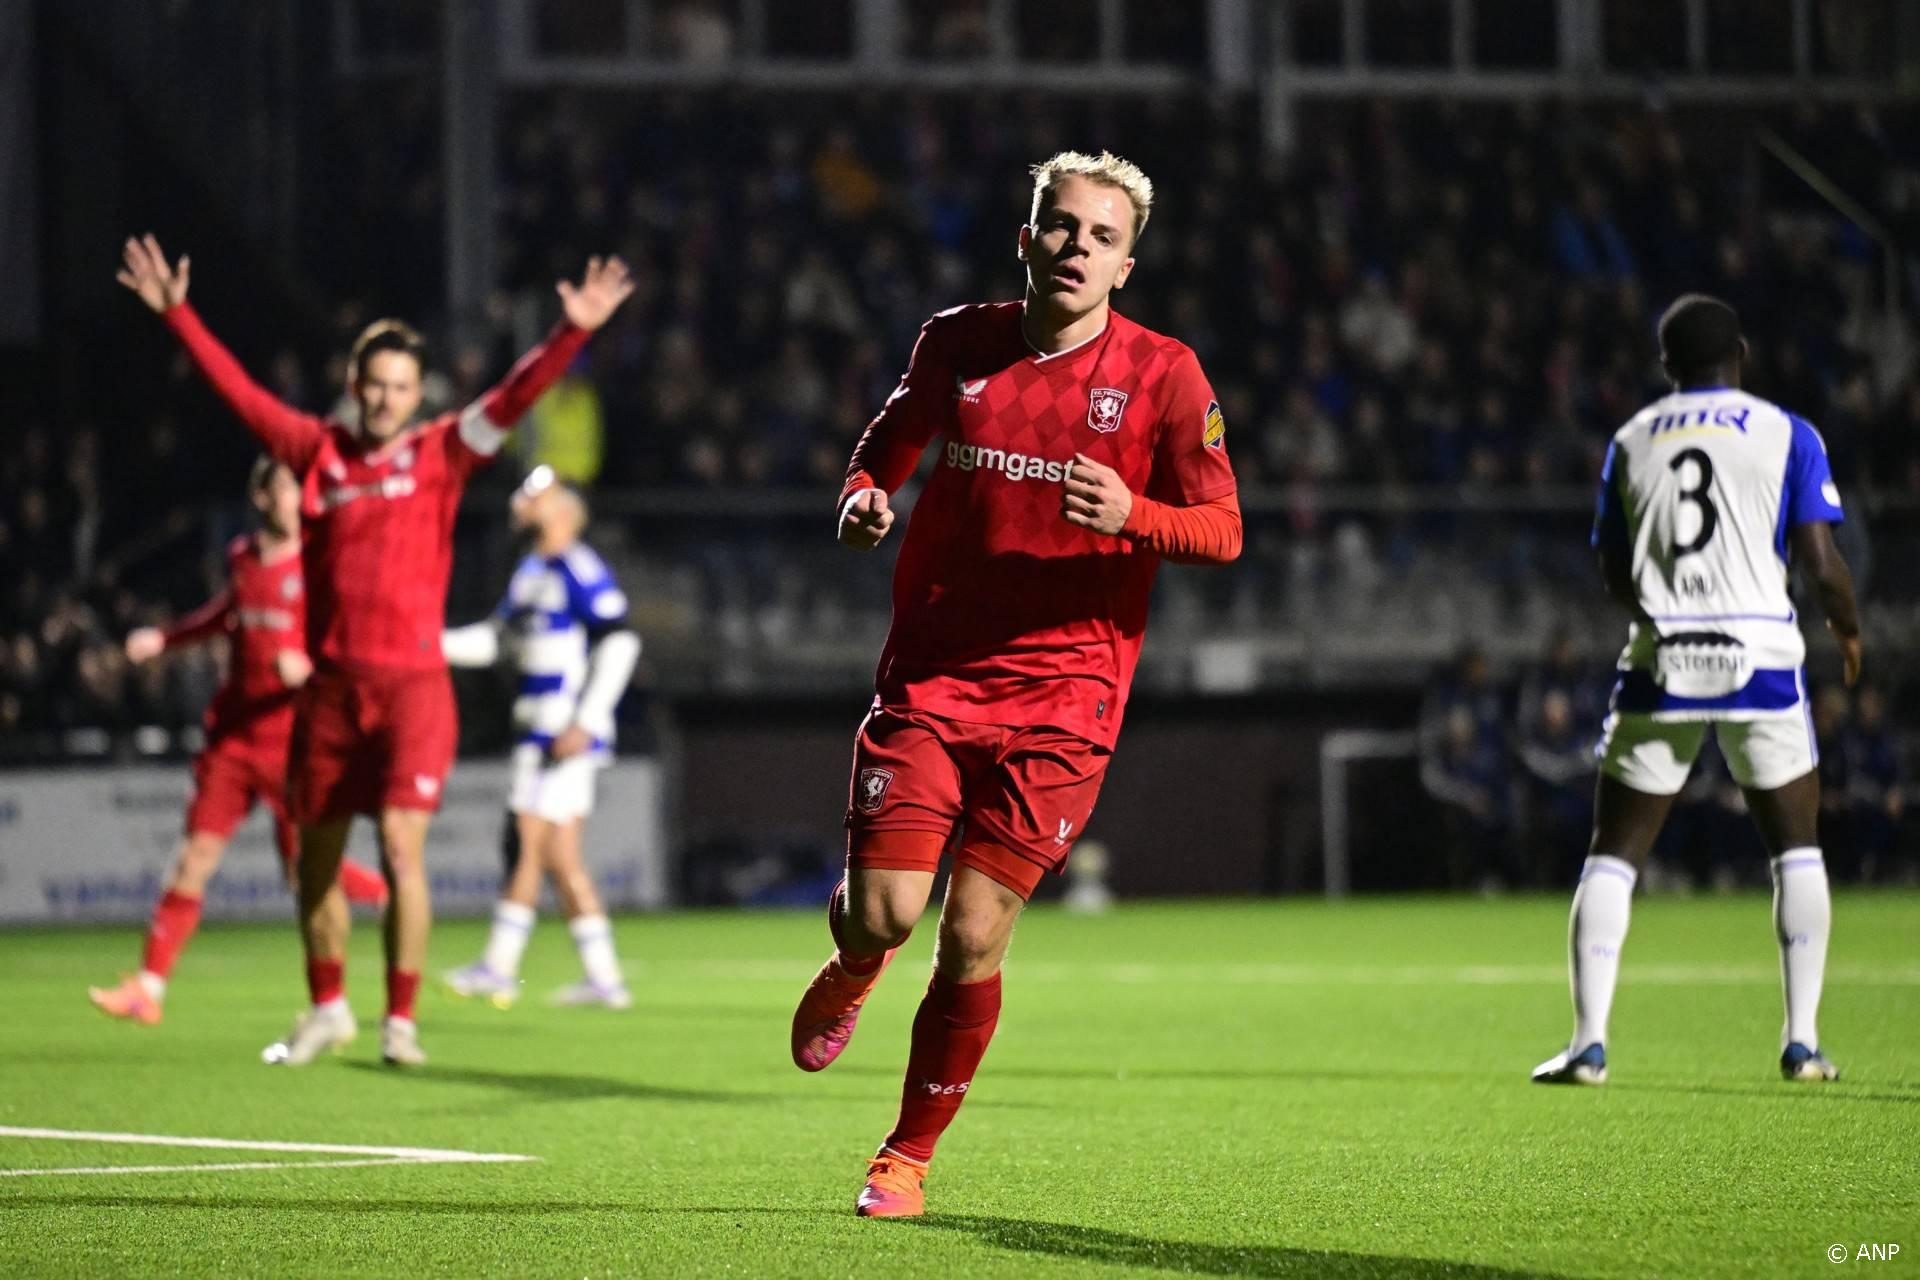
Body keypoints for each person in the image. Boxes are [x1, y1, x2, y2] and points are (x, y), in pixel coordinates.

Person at [787, 151, 1242, 1217]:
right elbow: (883, 448)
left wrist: (1134, 514)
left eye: (1101, 235)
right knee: (888, 913)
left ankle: (905, 1153)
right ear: (1026, 236)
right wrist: (861, 497)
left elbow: (1222, 530)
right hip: (936, 677)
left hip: (1069, 694)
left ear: (1127, 262)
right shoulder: (958, 343)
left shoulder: (1168, 375)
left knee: (975, 932)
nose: (1077, 246)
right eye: (1060, 225)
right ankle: (855, 959)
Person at [117, 234, 632, 1067]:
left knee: (400, 849)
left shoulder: (443, 452)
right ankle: (327, 1006)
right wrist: (178, 315)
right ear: (355, 387)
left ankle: (399, 1022)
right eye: (377, 385)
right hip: (328, 696)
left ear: (415, 391)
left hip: (413, 692)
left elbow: (510, 396)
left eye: (402, 386)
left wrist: (571, 333)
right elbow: (240, 396)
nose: (389, 398)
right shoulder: (316, 451)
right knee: (311, 867)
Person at [1532, 293, 1860, 1088]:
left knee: (1613, 856)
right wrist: (1848, 628)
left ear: (1667, 367)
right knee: (1796, 848)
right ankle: (1803, 1043)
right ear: (1739, 354)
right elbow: (1818, 560)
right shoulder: (1788, 432)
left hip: (1665, 656)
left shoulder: (1631, 439)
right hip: (1761, 657)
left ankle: (1588, 1045)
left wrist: (1657, 612)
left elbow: (1611, 561)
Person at [87, 458, 387, 1024]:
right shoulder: (243, 558)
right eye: (283, 490)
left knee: (304, 873)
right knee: (194, 857)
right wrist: (167, 640)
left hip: (292, 742)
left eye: (300, 491)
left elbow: (347, 643)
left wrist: (311, 670)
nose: (294, 501)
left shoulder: (321, 564)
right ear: (262, 497)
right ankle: (148, 988)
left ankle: (385, 901)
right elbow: (226, 616)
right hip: (232, 740)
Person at [441, 466, 642, 1009]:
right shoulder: (532, 570)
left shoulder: (577, 566)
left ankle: (498, 967)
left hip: (560, 733)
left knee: (526, 840)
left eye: (541, 491)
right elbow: (494, 642)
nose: (524, 498)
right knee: (559, 857)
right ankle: (605, 980)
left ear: (566, 512)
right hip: (541, 729)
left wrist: (586, 720)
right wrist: (428, 645)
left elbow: (621, 642)